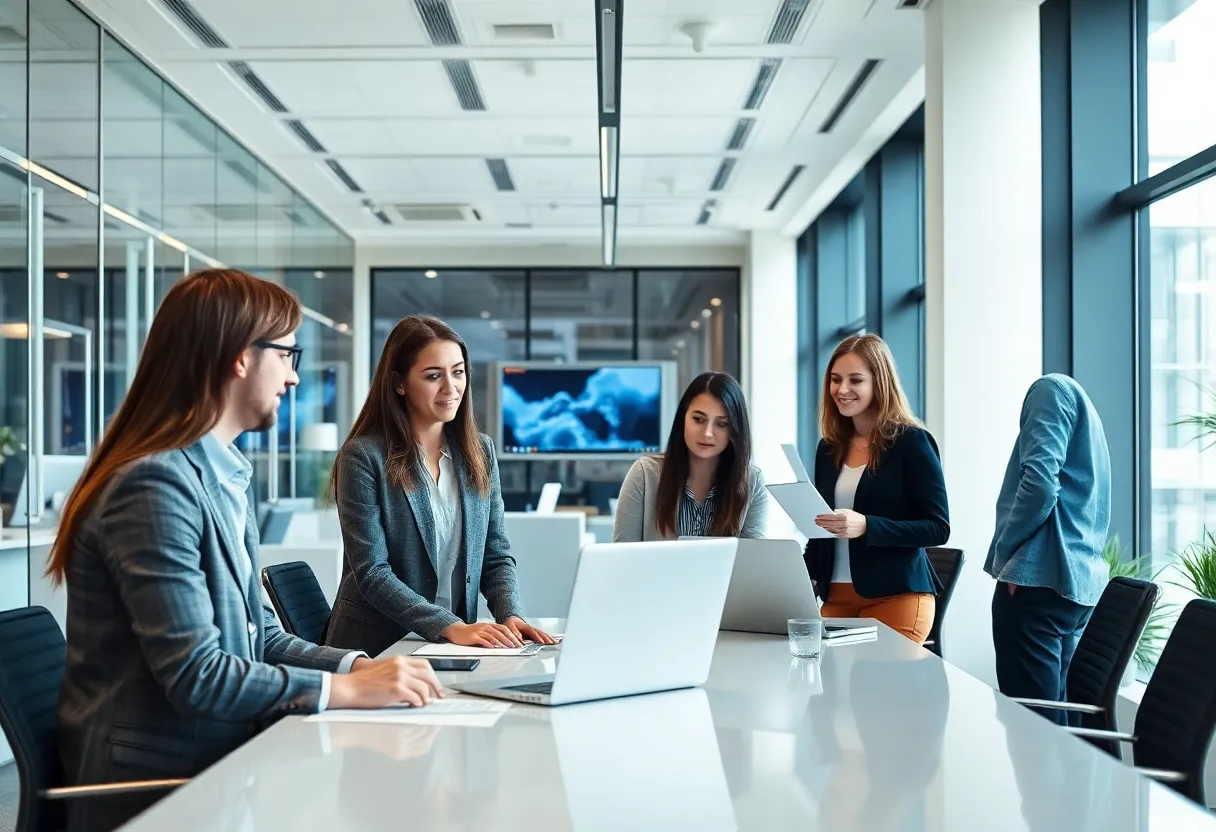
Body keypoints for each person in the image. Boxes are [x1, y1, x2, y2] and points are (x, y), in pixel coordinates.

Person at [47, 269, 442, 832]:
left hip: (221, 766)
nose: (294, 376)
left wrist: (361, 667)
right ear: (240, 357)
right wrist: (343, 689)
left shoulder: (223, 475)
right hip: (158, 788)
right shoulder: (154, 485)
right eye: (286, 354)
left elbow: (261, 635)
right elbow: (197, 674)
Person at [323, 315, 556, 657]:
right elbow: (372, 573)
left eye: (458, 372)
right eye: (433, 376)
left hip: (452, 646)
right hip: (376, 647)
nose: (451, 387)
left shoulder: (481, 451)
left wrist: (511, 615)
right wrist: (450, 626)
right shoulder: (363, 457)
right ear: (399, 384)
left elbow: (494, 555)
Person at [804, 334, 950, 644]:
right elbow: (822, 530)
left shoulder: (911, 442)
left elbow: (938, 528)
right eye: (835, 379)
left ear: (879, 383)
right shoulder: (829, 449)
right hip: (836, 597)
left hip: (897, 597)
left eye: (855, 380)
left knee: (878, 676)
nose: (842, 389)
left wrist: (867, 526)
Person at [986, 374, 1111, 723]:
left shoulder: (1049, 391)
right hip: (1075, 586)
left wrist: (1007, 553)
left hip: (1037, 583)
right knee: (1056, 721)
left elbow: (1040, 485)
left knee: (1030, 726)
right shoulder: (1082, 405)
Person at [613, 371, 770, 543]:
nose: (708, 433)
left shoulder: (752, 482)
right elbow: (622, 554)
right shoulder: (645, 475)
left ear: (734, 430)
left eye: (721, 424)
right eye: (698, 419)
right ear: (683, 419)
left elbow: (753, 557)